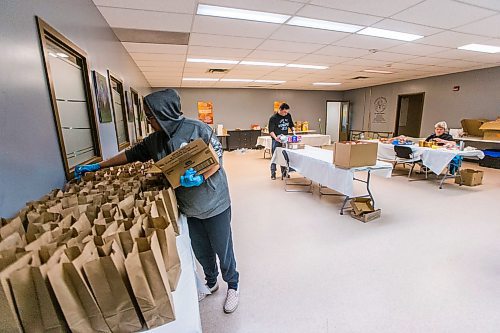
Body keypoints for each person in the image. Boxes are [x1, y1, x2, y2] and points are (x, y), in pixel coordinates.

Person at [74, 89, 240, 314]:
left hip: (214, 203)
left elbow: (215, 160)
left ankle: (233, 286)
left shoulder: (197, 129)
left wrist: (200, 177)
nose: (149, 121)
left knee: (223, 248)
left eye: (150, 116)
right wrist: (98, 165)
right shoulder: (155, 140)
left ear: (164, 113)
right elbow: (131, 155)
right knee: (201, 250)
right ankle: (211, 283)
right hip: (189, 207)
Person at [268, 103, 295, 180]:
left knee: (284, 156)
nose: (286, 114)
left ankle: (284, 173)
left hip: (285, 140)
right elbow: (271, 131)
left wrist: (293, 131)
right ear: (280, 110)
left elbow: (291, 125)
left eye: (287, 112)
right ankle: (273, 174)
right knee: (275, 157)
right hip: (276, 140)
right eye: (284, 112)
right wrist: (276, 138)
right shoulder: (273, 118)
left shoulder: (288, 115)